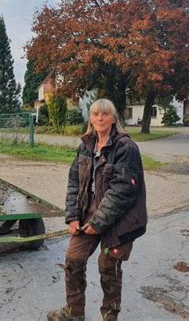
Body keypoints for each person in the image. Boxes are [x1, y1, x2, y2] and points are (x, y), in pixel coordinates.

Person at [48, 98, 147, 321]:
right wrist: (72, 216)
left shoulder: (125, 147)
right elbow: (74, 182)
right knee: (73, 260)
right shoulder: (85, 145)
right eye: (95, 114)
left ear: (114, 118)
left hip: (121, 219)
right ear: (90, 118)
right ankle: (73, 313)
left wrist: (99, 222)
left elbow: (123, 190)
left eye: (105, 114)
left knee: (108, 267)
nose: (100, 118)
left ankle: (109, 318)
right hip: (88, 214)